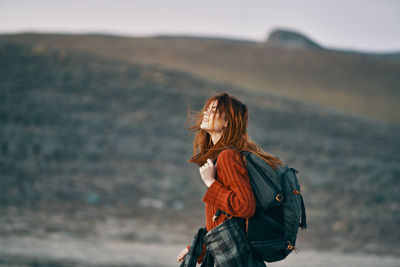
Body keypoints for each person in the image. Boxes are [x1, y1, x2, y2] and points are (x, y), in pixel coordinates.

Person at [177, 92, 284, 266]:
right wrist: (196, 250)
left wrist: (210, 182)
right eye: (207, 109)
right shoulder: (222, 156)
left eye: (213, 110)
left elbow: (245, 207)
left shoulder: (228, 156)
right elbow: (223, 221)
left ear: (227, 121)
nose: (205, 113)